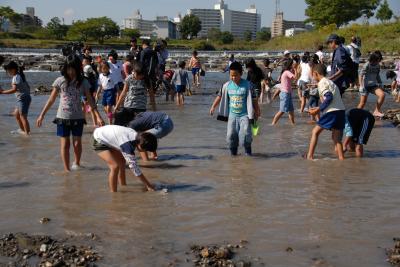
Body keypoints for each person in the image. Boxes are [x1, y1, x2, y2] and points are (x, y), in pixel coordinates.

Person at [37, 55, 104, 172]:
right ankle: (66, 169)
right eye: (69, 68)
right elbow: (51, 99)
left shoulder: (83, 81)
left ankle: (77, 164)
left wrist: (98, 116)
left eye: (73, 69)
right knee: (65, 144)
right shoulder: (59, 81)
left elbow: (90, 100)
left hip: (78, 117)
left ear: (78, 68)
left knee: (77, 143)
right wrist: (41, 115)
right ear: (65, 68)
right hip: (62, 117)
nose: (71, 71)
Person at [209, 61, 260, 156]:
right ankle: (234, 155)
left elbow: (254, 100)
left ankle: (248, 154)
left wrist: (257, 111)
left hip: (245, 115)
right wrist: (213, 107)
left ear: (241, 73)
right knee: (231, 136)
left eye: (235, 75)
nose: (233, 77)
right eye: (231, 75)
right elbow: (219, 96)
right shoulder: (226, 86)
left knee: (246, 136)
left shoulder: (248, 85)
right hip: (232, 115)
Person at [93, 125, 157, 192]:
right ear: (140, 145)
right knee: (114, 166)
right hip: (98, 139)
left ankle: (123, 185)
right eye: (146, 149)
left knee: (122, 162)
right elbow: (135, 169)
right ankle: (114, 194)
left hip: (106, 135)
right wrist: (148, 185)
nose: (145, 151)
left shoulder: (137, 135)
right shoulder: (127, 146)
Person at [306, 64, 346, 160]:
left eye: (312, 75)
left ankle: (309, 156)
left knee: (315, 132)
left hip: (332, 112)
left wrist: (318, 109)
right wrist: (319, 107)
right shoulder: (330, 82)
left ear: (315, 73)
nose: (312, 77)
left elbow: (329, 97)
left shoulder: (322, 83)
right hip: (341, 112)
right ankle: (341, 159)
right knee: (337, 138)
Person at [1, 61, 31, 135]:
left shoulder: (16, 77)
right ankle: (22, 130)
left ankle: (27, 134)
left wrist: (3, 92)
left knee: (23, 117)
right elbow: (28, 87)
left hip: (23, 99)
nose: (8, 72)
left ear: (13, 69)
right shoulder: (20, 75)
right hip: (23, 98)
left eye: (8, 70)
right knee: (17, 115)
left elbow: (14, 89)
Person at [115, 62, 148, 126]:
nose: (137, 76)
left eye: (140, 75)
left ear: (143, 74)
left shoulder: (146, 80)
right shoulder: (129, 78)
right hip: (129, 106)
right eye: (136, 73)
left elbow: (151, 95)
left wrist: (154, 108)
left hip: (141, 107)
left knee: (139, 127)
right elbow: (123, 92)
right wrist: (117, 105)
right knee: (127, 126)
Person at [357, 51, 385, 117]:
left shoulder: (378, 65)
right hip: (365, 86)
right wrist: (361, 86)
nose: (378, 61)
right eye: (378, 60)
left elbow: (377, 75)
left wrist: (380, 83)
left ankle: (376, 111)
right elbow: (360, 75)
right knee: (362, 104)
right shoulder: (367, 65)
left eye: (379, 60)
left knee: (382, 95)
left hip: (373, 85)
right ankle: (354, 115)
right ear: (373, 59)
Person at [271, 59, 297, 125]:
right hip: (285, 94)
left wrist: (294, 70)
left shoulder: (286, 72)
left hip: (287, 93)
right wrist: (296, 69)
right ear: (290, 65)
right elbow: (295, 77)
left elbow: (292, 80)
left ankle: (293, 124)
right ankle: (273, 123)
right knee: (282, 110)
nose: (293, 65)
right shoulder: (287, 72)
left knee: (291, 110)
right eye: (292, 64)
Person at [139, 39, 158, 110]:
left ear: (143, 44)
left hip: (144, 73)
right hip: (152, 73)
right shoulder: (154, 52)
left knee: (142, 89)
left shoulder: (143, 52)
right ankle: (153, 107)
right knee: (151, 89)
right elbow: (157, 63)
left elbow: (141, 63)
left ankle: (143, 104)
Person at [96, 61, 117, 125]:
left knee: (108, 108)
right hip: (104, 92)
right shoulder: (100, 76)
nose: (105, 70)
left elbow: (116, 85)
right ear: (101, 69)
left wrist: (118, 94)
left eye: (106, 68)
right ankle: (113, 115)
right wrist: (97, 94)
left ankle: (110, 123)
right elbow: (100, 86)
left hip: (111, 92)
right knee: (105, 108)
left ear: (109, 68)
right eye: (103, 68)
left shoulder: (112, 75)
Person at [82, 57, 98, 126]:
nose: (84, 63)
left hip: (90, 93)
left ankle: (95, 123)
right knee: (84, 108)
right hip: (84, 93)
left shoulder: (92, 77)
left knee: (91, 108)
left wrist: (95, 92)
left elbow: (95, 85)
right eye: (83, 61)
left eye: (85, 61)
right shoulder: (82, 76)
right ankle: (83, 122)